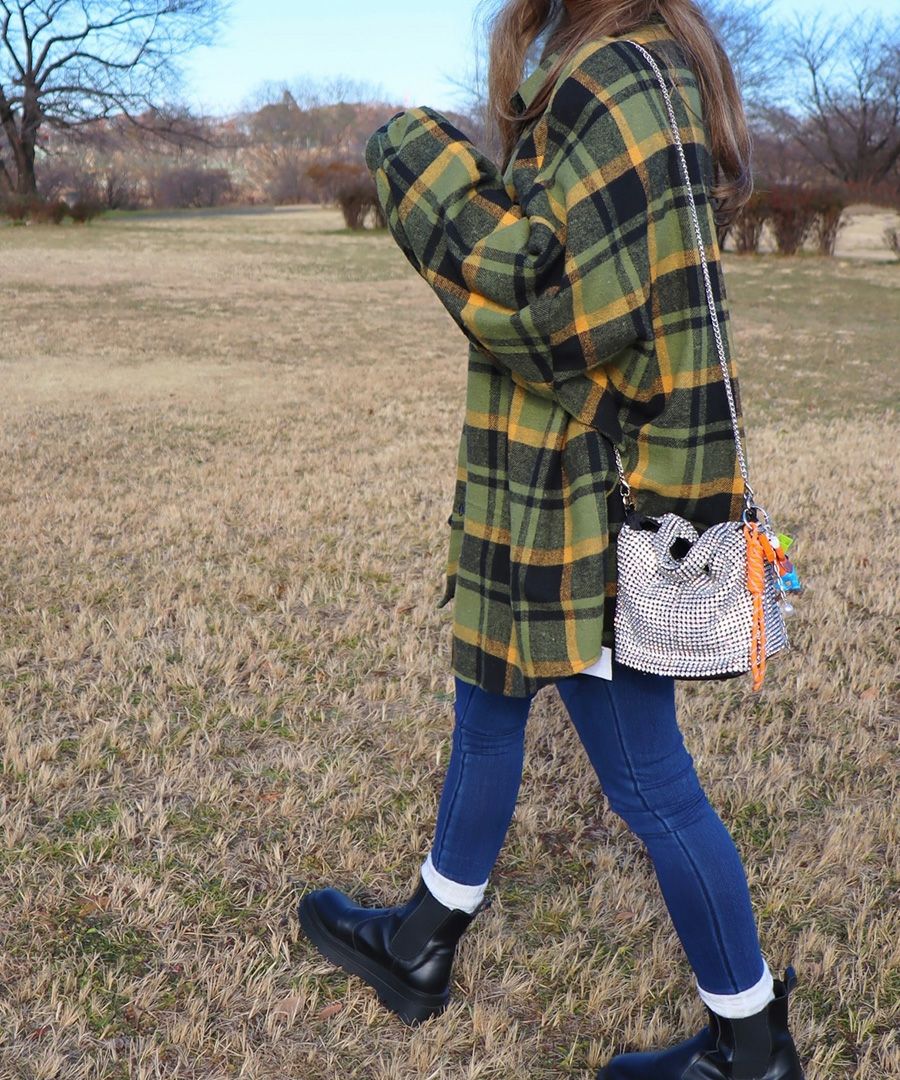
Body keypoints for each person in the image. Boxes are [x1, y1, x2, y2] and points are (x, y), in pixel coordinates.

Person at [299, 2, 806, 1077]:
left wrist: (419, 166)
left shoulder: (618, 75)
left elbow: (559, 304)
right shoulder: (630, 66)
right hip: (548, 477)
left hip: (590, 492)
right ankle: (422, 940)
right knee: (487, 703)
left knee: (650, 782)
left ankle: (753, 1046)